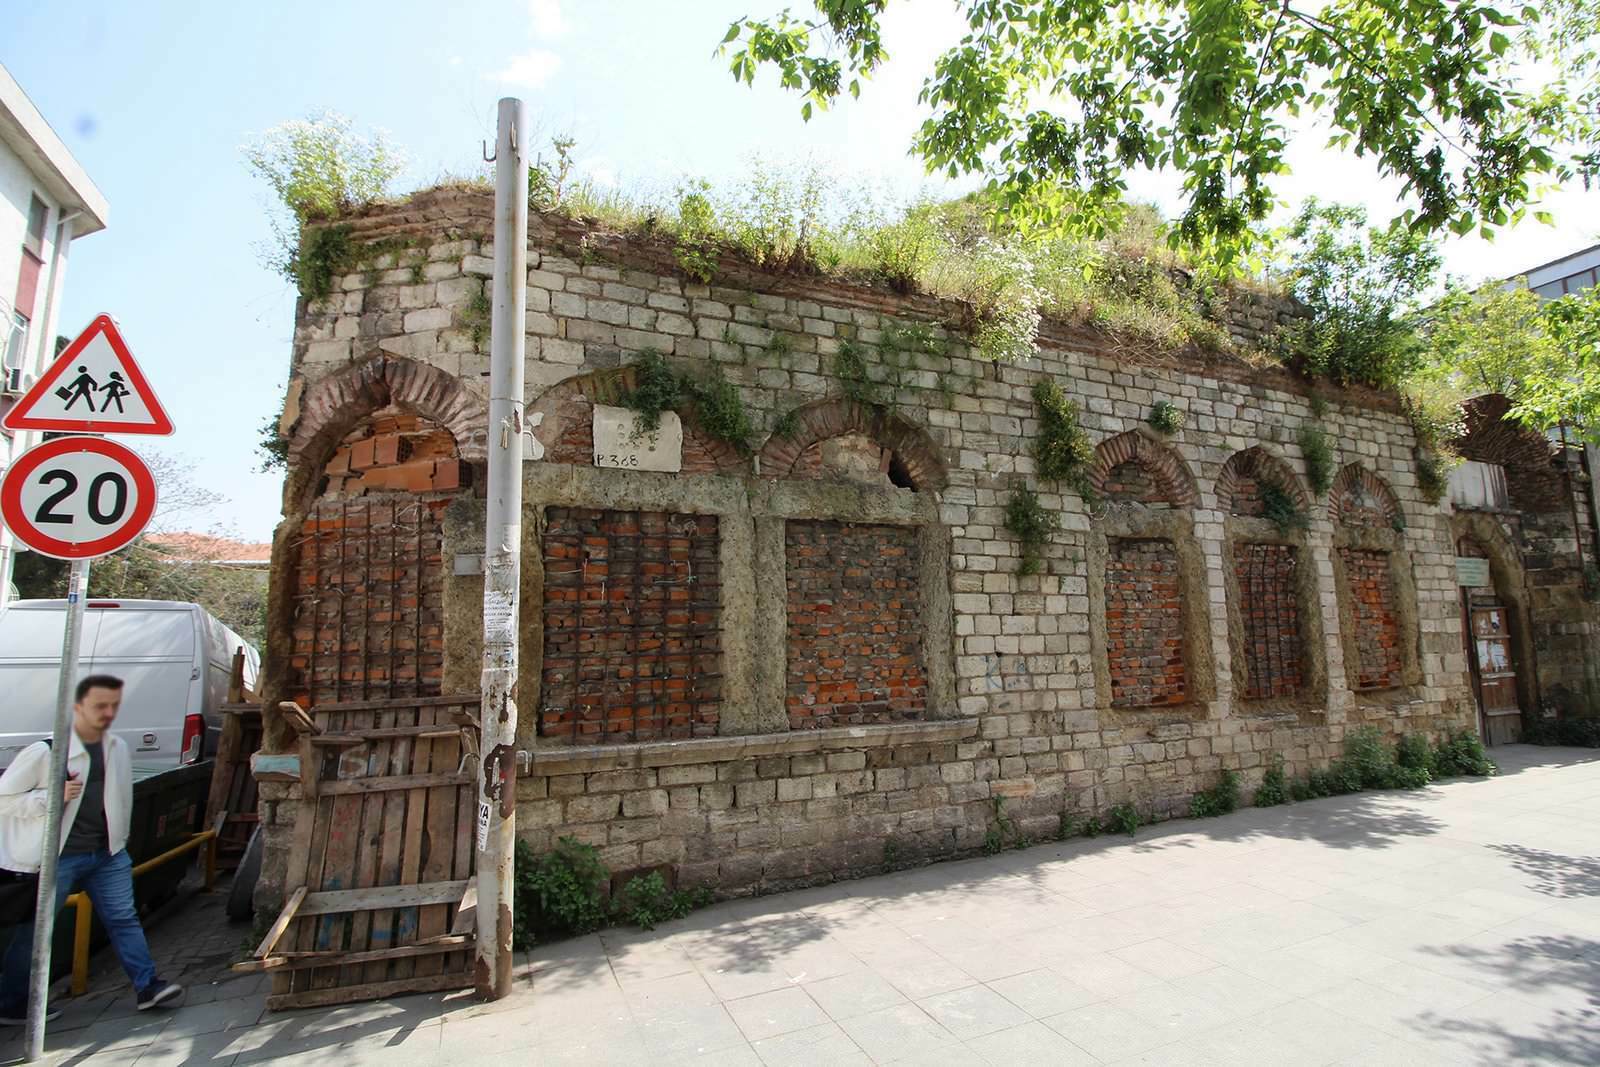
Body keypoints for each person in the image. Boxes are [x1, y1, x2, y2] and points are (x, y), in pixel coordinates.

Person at [0, 675, 183, 1023]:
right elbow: (3, 798)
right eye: (99, 706)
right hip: (57, 859)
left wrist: (120, 842)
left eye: (112, 706)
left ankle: (148, 986)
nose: (107, 713)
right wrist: (48, 798)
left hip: (107, 855)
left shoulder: (117, 749)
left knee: (123, 919)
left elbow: (121, 799)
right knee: (36, 930)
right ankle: (12, 1002)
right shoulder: (45, 752)